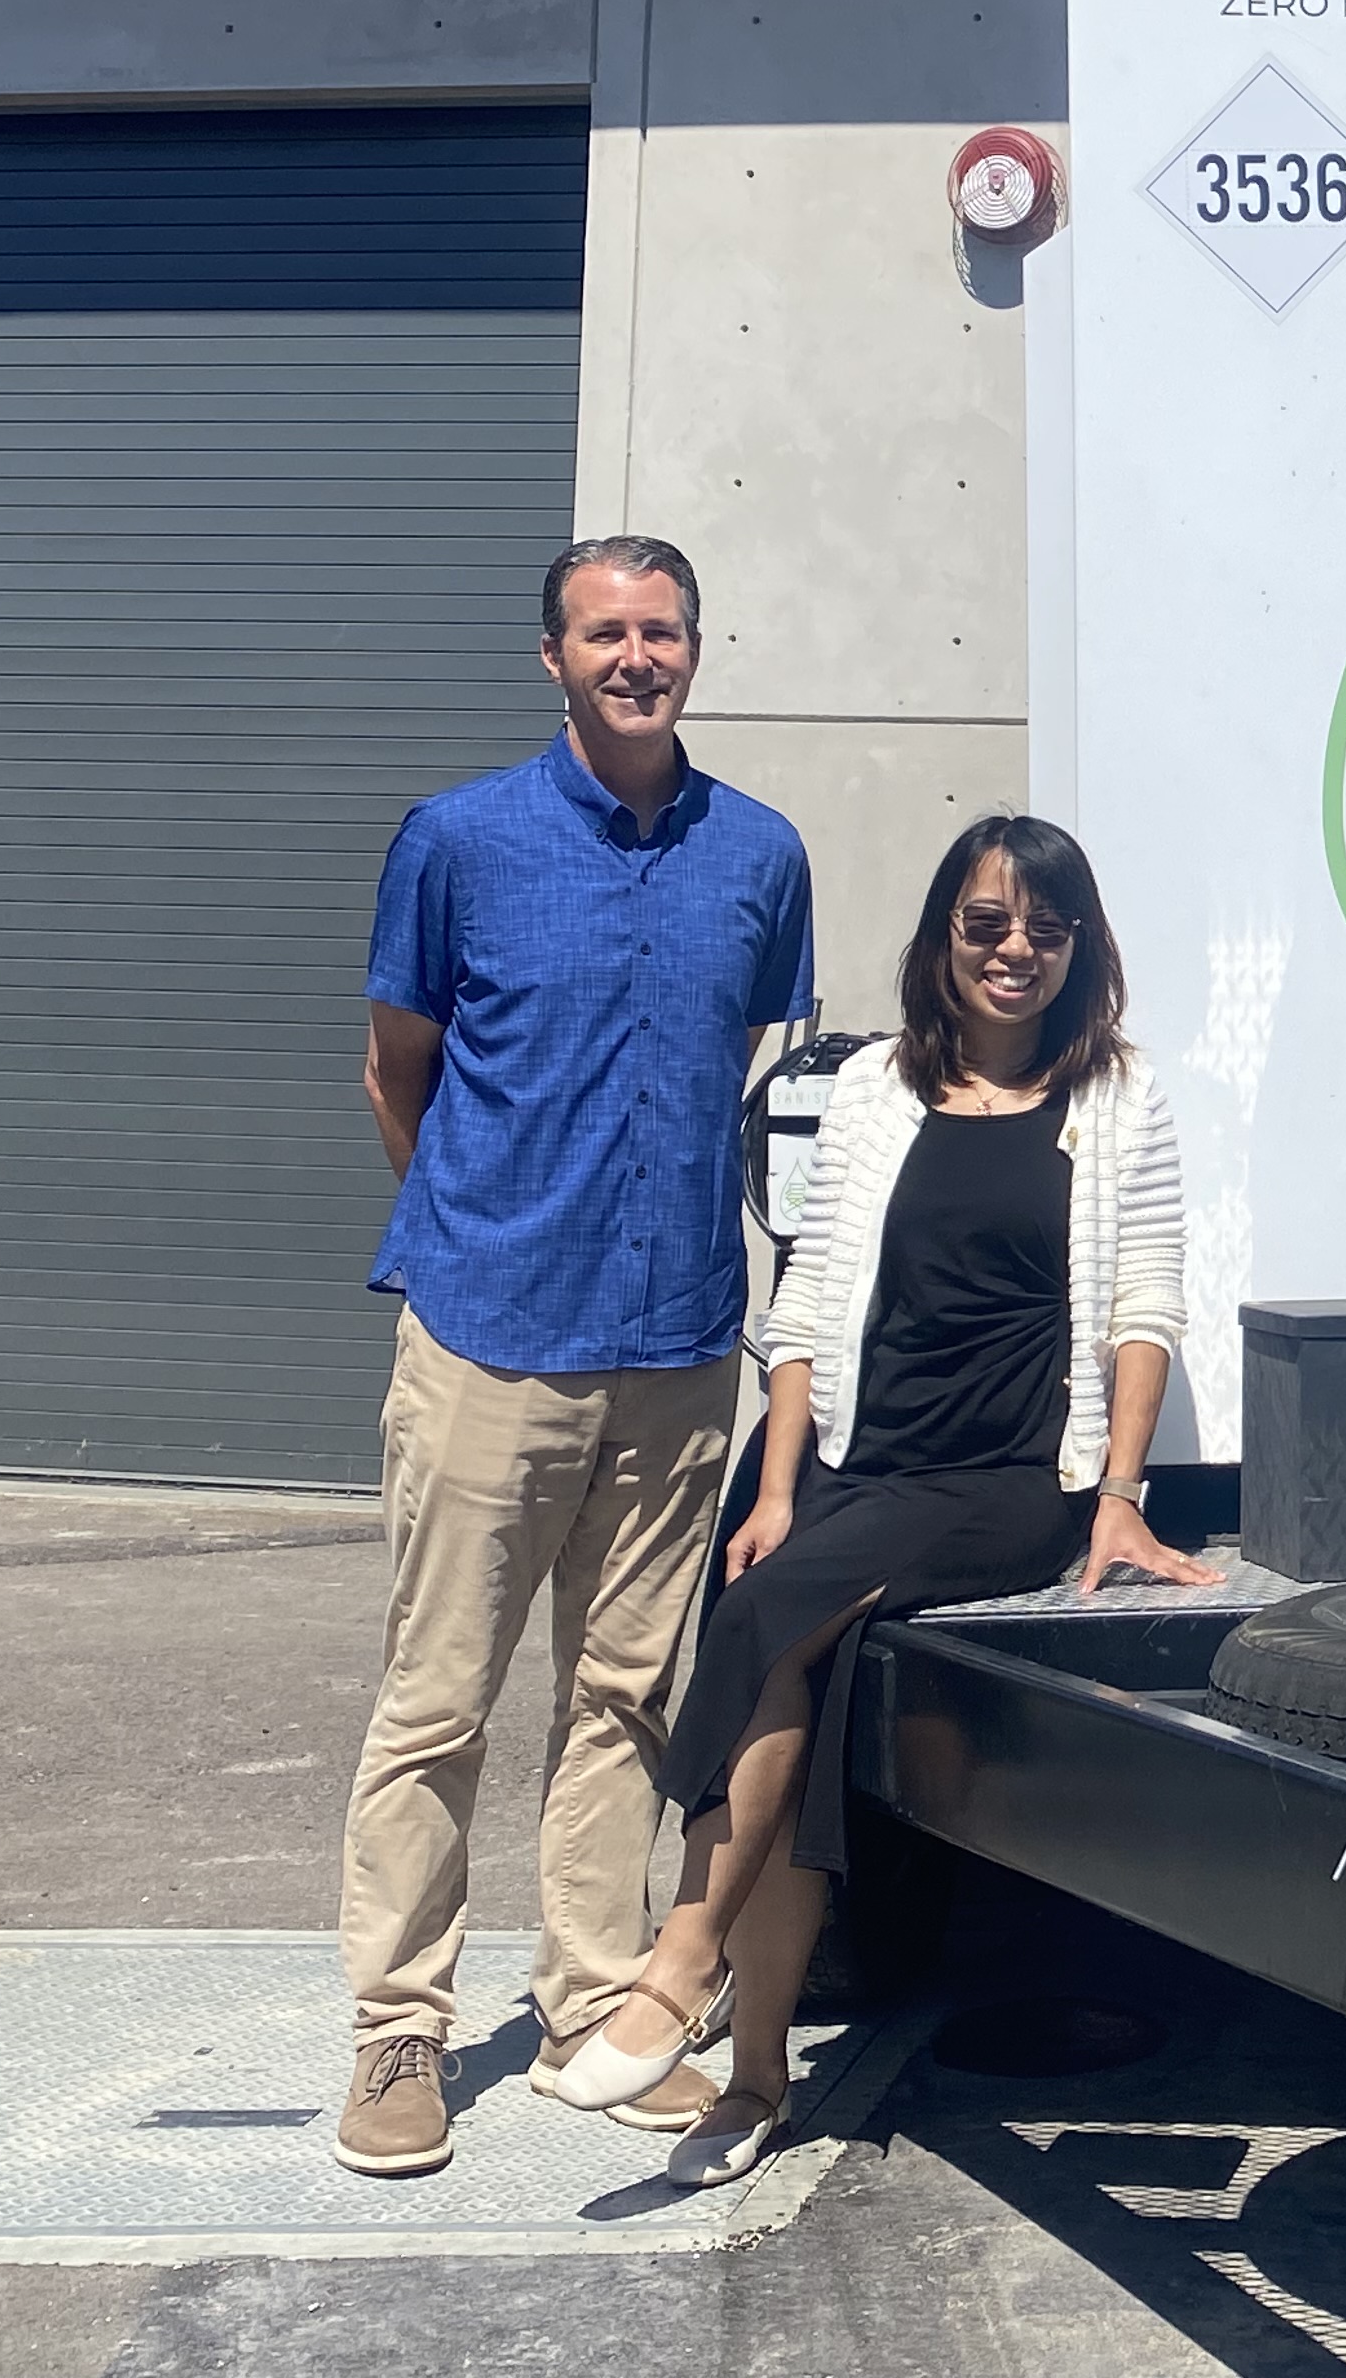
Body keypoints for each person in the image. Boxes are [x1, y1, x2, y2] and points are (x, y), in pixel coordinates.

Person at [543, 814, 1214, 2178]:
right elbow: (805, 1306)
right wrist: (777, 1487)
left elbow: (1144, 1307)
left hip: (1007, 1482)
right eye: (986, 924)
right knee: (804, 1707)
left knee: (761, 1623)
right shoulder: (872, 1090)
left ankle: (680, 1963)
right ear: (942, 938)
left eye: (1046, 929)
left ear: (1080, 948)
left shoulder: (1117, 1094)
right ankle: (757, 2080)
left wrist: (1120, 1495)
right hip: (858, 1467)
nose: (1015, 950)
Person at [337, 535, 812, 2179]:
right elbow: (395, 1066)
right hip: (487, 1337)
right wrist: (477, 1232)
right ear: (552, 656)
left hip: (675, 1347)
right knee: (436, 1702)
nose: (635, 656)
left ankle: (586, 2003)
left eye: (661, 630)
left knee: (623, 1699)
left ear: (695, 648)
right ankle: (398, 2025)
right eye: (604, 631)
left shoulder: (760, 853)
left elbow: (741, 1065)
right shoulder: (458, 840)